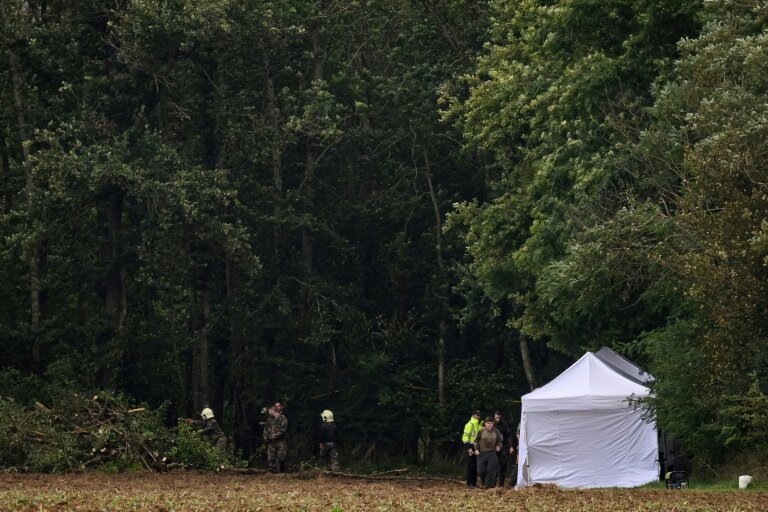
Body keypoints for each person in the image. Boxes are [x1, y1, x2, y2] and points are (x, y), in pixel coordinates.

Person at [474, 416, 503, 489]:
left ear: (493, 424)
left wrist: (498, 446)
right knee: (481, 471)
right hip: (481, 453)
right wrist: (476, 449)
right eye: (488, 423)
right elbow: (476, 441)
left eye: (491, 423)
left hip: (492, 453)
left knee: (491, 470)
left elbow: (500, 440)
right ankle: (484, 483)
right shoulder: (481, 431)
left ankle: (488, 486)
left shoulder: (496, 431)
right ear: (485, 424)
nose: (489, 425)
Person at [263, 406, 288, 473]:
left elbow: (283, 430)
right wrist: (266, 438)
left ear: (273, 411)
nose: (269, 412)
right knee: (271, 458)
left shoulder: (283, 419)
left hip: (281, 441)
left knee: (281, 457)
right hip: (271, 442)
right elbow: (265, 429)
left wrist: (275, 435)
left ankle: (281, 472)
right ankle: (272, 472)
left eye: (270, 411)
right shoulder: (269, 419)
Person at [461, 409, 482, 488]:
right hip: (470, 446)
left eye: (479, 415)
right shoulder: (469, 424)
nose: (478, 416)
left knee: (475, 465)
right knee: (471, 465)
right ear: (473, 415)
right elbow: (465, 437)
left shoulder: (478, 424)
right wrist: (468, 448)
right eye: (477, 415)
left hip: (477, 446)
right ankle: (470, 483)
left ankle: (474, 483)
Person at [493, 410, 513, 487]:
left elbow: (509, 436)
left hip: (503, 447)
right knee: (493, 465)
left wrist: (511, 446)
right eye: (496, 417)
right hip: (493, 447)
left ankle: (501, 484)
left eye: (499, 417)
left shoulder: (505, 425)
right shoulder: (491, 424)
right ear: (494, 416)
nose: (498, 418)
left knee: (502, 465)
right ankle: (493, 483)